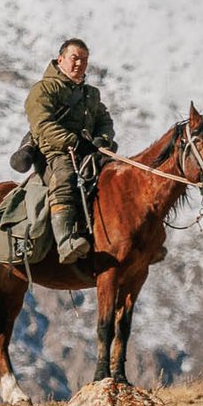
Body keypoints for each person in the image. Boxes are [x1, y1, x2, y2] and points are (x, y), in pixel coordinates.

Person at [25, 36, 117, 272]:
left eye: (84, 60)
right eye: (75, 58)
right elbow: (42, 125)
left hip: (89, 152)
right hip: (54, 154)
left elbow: (104, 120)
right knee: (65, 178)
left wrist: (102, 140)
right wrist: (74, 143)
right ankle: (65, 241)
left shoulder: (91, 94)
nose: (80, 64)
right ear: (61, 59)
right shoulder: (43, 89)